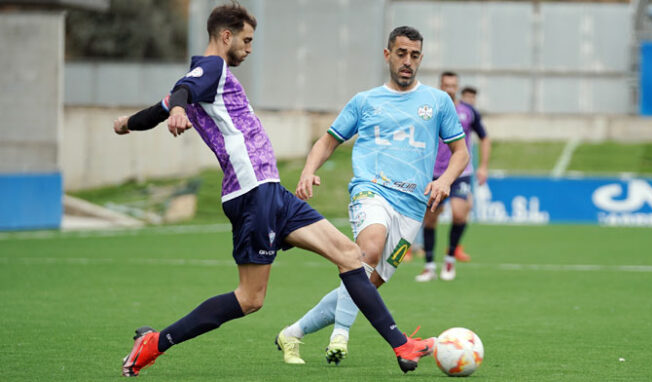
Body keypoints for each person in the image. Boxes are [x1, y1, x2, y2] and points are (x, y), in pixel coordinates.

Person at [114, 4, 435, 377]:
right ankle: (155, 344)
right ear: (226, 36)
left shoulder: (207, 78)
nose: (250, 49)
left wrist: (126, 124)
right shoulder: (210, 68)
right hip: (252, 194)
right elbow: (181, 92)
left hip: (271, 192)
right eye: (247, 40)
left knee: (351, 255)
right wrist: (178, 110)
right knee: (250, 299)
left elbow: (162, 106)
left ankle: (401, 345)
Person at [274, 26, 470, 366]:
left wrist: (446, 180)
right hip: (371, 190)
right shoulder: (365, 101)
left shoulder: (438, 102)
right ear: (387, 55)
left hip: (412, 209)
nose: (407, 61)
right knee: (369, 249)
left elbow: (461, 152)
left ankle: (292, 333)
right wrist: (308, 170)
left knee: (365, 287)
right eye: (401, 54)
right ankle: (341, 335)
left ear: (420, 58)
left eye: (414, 55)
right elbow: (328, 140)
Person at [415, 73, 490, 282]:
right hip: (434, 174)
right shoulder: (430, 110)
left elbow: (484, 138)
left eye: (453, 85)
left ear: (457, 87)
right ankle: (429, 266)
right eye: (446, 85)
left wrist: (483, 166)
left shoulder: (468, 111)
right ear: (440, 86)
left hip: (460, 173)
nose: (449, 88)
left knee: (459, 214)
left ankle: (450, 258)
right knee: (430, 220)